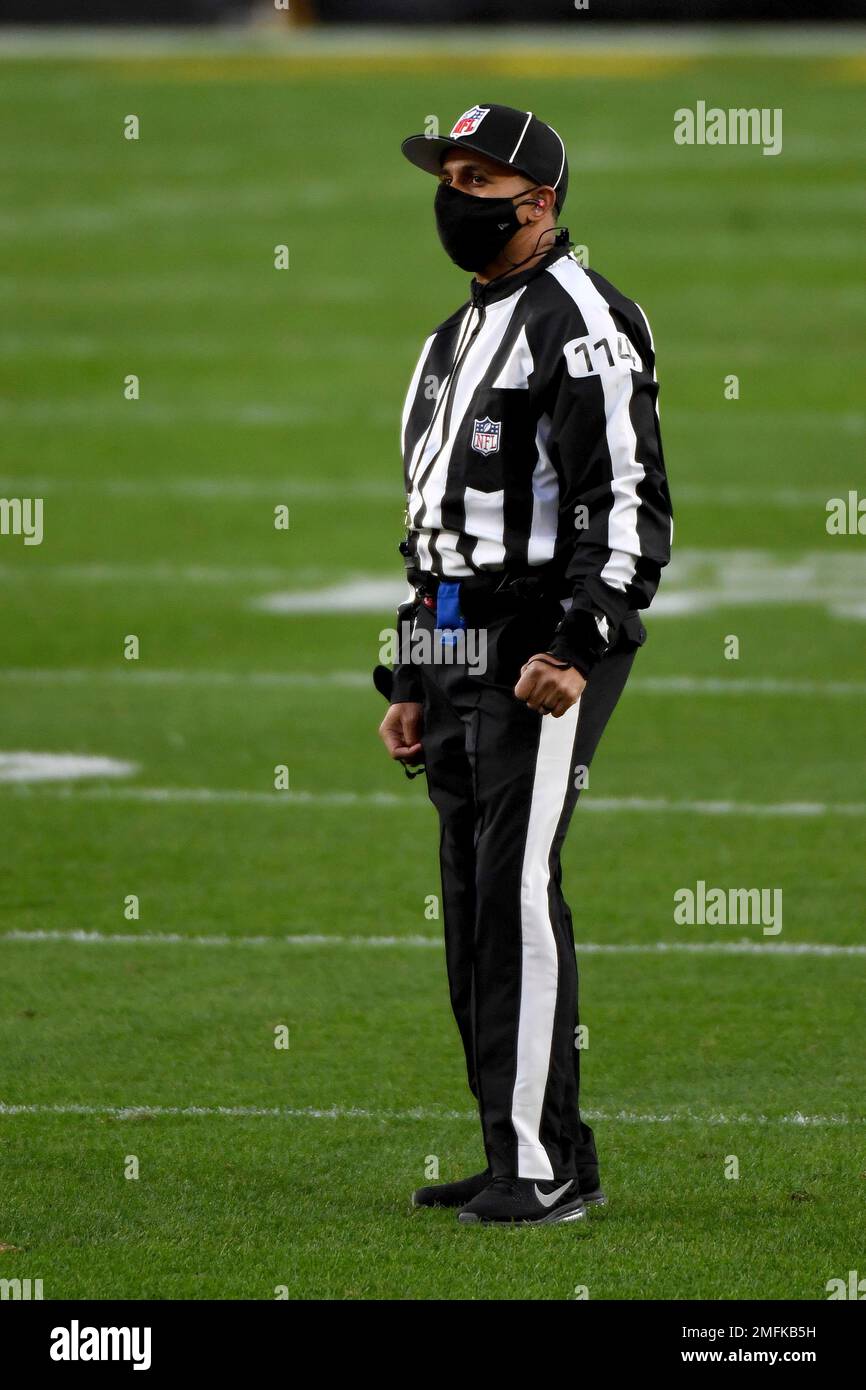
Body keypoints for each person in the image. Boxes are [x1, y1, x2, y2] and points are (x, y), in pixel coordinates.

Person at [377, 103, 673, 1225]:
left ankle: (538, 1169)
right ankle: (530, 1146)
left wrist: (579, 638)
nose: (452, 194)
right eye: (445, 173)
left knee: (513, 888)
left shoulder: (583, 319)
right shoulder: (450, 338)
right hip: (454, 635)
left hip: (538, 640)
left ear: (538, 202)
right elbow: (434, 528)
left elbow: (630, 502)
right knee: (467, 892)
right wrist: (410, 671)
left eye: (474, 177)